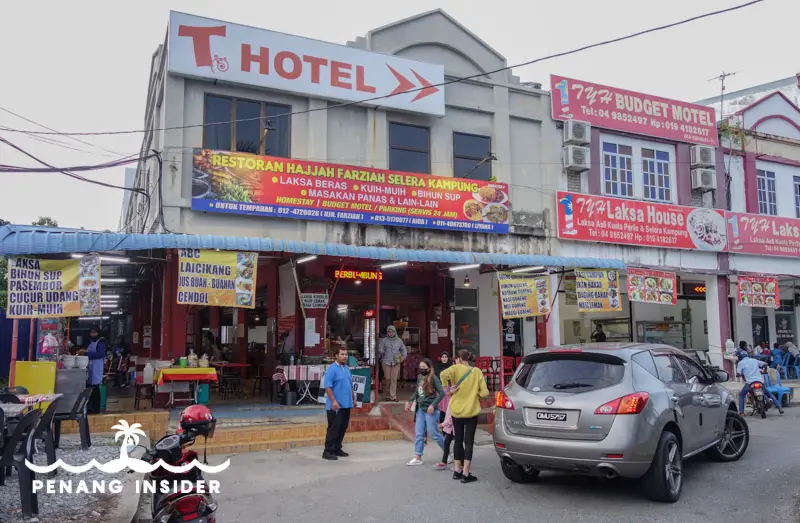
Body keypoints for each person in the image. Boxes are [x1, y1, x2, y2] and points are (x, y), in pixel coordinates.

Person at [439, 349, 489, 484]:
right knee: (469, 442)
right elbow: (485, 393)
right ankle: (466, 473)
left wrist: (448, 390)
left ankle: (456, 470)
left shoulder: (454, 369)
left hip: (456, 411)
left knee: (458, 440)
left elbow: (442, 374)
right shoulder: (477, 371)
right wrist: (475, 394)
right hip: (471, 411)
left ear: (459, 359)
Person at [405, 358, 445, 466]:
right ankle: (418, 456)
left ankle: (448, 452)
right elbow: (417, 392)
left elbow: (441, 393)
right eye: (420, 367)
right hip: (420, 409)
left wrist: (433, 405)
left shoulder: (434, 379)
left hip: (430, 410)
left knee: (434, 433)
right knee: (419, 434)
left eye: (424, 367)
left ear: (429, 368)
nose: (421, 369)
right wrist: (410, 401)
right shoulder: (420, 378)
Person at [322, 347, 356, 461]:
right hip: (335, 405)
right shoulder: (331, 369)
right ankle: (328, 451)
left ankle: (337, 448)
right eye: (342, 354)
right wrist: (333, 401)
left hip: (347, 404)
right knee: (334, 428)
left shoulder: (346, 368)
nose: (344, 356)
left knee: (342, 427)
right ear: (336, 355)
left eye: (346, 354)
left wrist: (354, 398)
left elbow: (350, 385)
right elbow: (328, 386)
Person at [736, 350, 783, 415]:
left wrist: (738, 375)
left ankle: (741, 412)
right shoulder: (754, 360)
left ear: (739, 357)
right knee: (768, 393)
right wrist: (765, 371)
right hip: (760, 382)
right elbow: (765, 364)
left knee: (741, 395)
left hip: (749, 383)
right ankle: (779, 407)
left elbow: (738, 373)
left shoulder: (740, 363)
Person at [377, 325, 407, 402]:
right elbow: (380, 348)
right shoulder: (384, 340)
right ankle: (387, 394)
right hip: (386, 362)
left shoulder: (399, 340)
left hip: (396, 363)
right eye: (389, 331)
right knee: (387, 378)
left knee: (394, 379)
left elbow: (404, 350)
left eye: (392, 331)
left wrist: (403, 358)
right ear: (387, 332)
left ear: (395, 332)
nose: (391, 333)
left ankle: (393, 396)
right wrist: (381, 350)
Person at [86, 327, 107, 414]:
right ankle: (90, 408)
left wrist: (87, 353)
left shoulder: (101, 342)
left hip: (96, 368)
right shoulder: (92, 342)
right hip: (91, 367)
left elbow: (100, 354)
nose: (92, 334)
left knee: (95, 389)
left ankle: (96, 409)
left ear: (98, 333)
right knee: (90, 388)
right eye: (91, 332)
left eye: (94, 332)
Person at [433, 397, 455, 471]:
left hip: (453, 426)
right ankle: (444, 461)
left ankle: (460, 464)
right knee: (446, 442)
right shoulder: (451, 399)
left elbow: (451, 415)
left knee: (458, 444)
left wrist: (443, 424)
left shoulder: (454, 400)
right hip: (450, 426)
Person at [435, 351, 453, 423]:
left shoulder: (451, 366)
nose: (444, 358)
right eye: (443, 357)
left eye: (446, 357)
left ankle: (447, 422)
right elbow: (436, 376)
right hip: (440, 388)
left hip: (448, 388)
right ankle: (441, 422)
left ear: (448, 358)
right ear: (440, 358)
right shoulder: (437, 365)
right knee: (440, 405)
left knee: (447, 405)